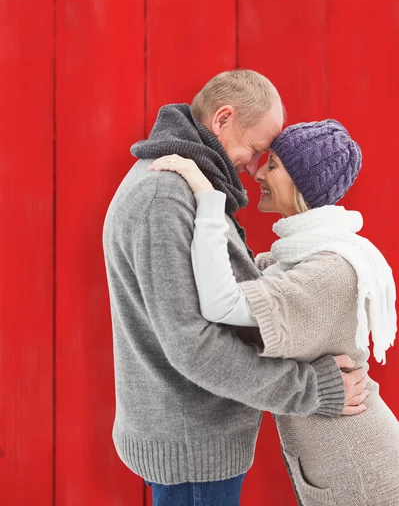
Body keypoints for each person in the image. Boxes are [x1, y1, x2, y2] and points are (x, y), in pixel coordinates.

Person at [102, 71, 368, 506]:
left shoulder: (183, 185)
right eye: (256, 149)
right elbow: (194, 346)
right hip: (193, 448)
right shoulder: (166, 198)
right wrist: (311, 389)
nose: (253, 168)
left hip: (194, 439)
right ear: (223, 119)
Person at [149, 118, 399, 505]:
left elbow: (223, 301)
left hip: (360, 469)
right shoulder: (291, 261)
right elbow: (234, 280)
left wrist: (207, 195)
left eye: (274, 165)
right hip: (337, 464)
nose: (258, 172)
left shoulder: (328, 271)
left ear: (303, 184)